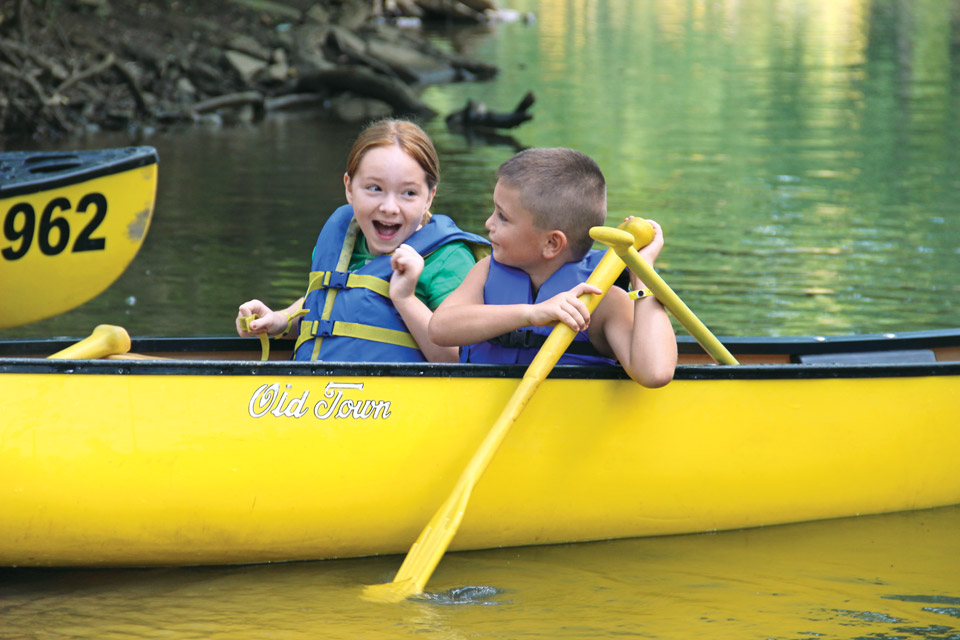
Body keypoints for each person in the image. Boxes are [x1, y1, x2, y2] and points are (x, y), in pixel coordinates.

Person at [236, 119, 488, 363]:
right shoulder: (344, 242)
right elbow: (325, 303)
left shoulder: (449, 259)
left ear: (429, 198)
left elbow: (460, 358)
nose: (389, 207)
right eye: (374, 188)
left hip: (389, 402)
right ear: (349, 188)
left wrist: (405, 299)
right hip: (317, 401)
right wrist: (280, 321)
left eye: (408, 193)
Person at [428, 147, 677, 387]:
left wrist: (642, 272)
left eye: (503, 217)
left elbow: (654, 372)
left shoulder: (600, 299)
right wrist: (531, 313)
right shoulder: (486, 271)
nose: (489, 223)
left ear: (551, 243)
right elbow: (440, 328)